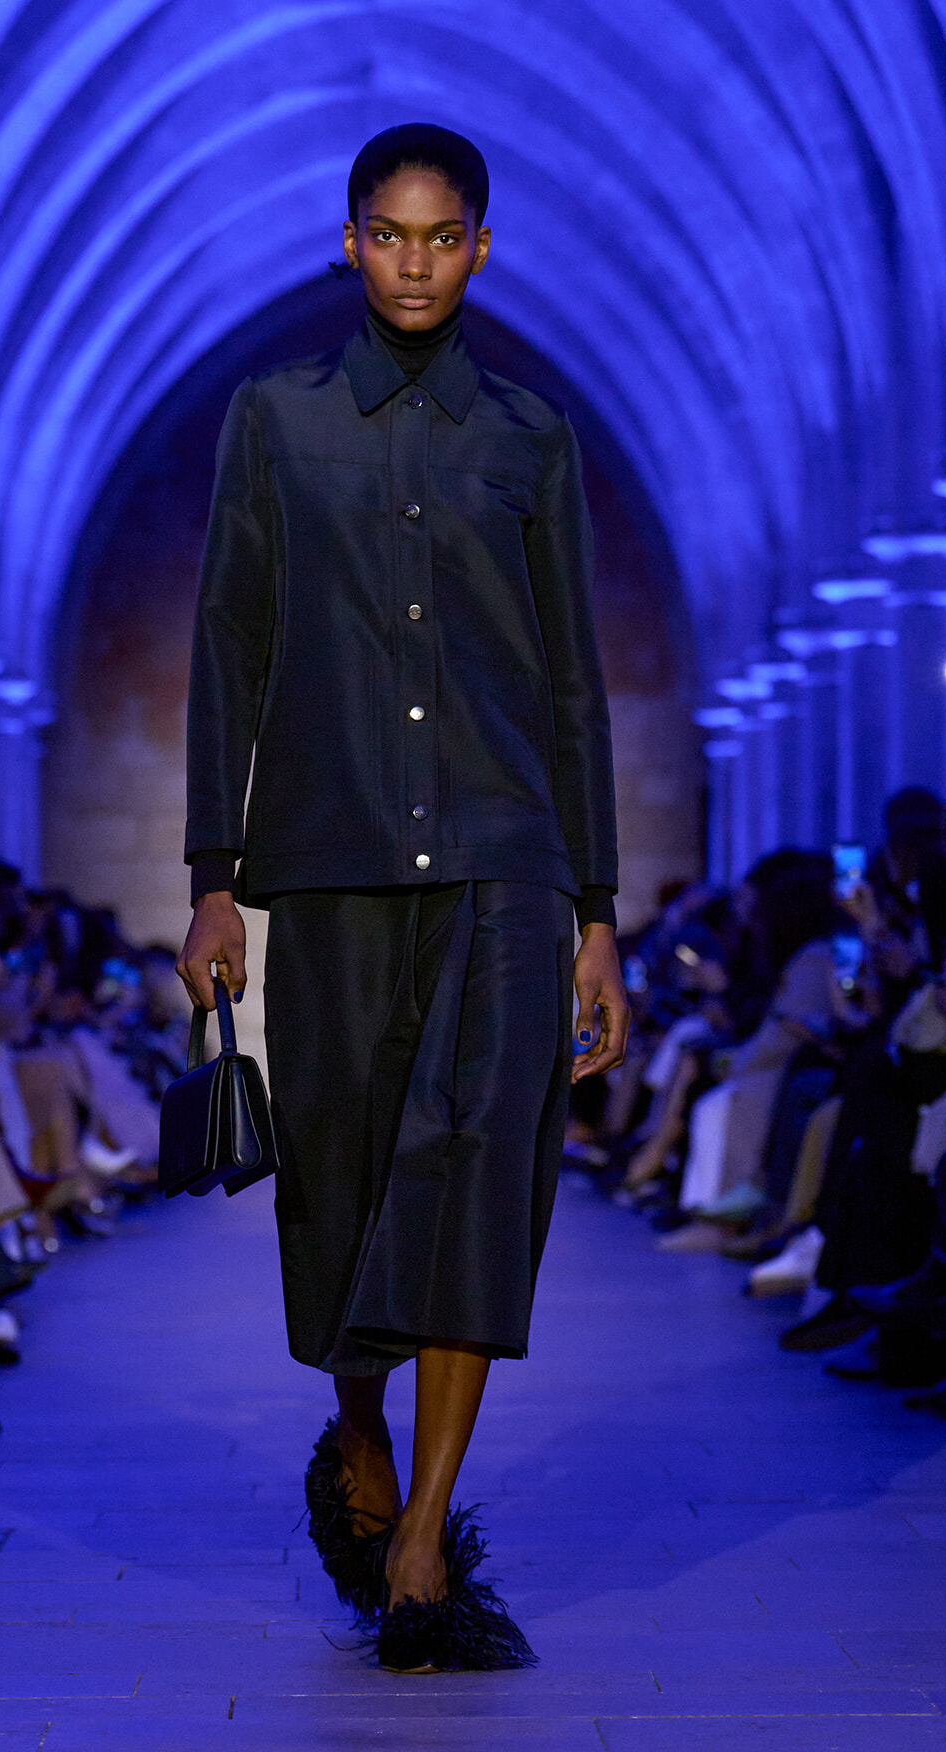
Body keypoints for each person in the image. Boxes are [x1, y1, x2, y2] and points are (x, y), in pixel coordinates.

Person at [177, 122, 628, 1672]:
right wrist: (213, 882)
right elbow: (228, 644)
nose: (416, 262)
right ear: (348, 241)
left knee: (479, 1174)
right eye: (389, 234)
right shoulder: (275, 419)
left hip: (509, 862)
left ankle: (425, 1541)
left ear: (482, 247)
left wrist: (597, 914)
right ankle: (359, 1432)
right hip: (329, 859)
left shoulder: (533, 436)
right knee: (346, 1177)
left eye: (444, 237)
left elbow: (574, 686)